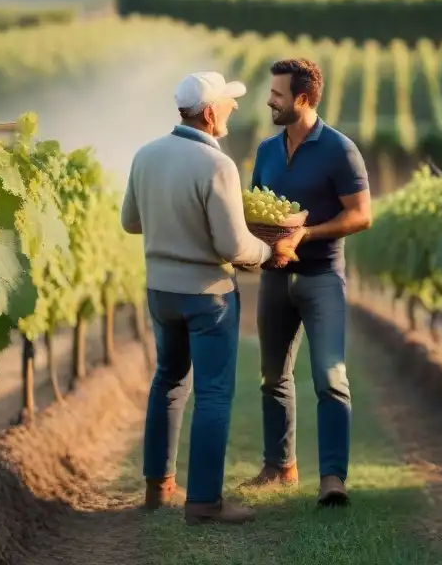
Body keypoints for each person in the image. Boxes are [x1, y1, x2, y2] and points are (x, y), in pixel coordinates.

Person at [120, 71, 303, 525]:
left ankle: (158, 487)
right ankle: (203, 501)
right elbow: (232, 246)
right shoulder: (216, 165)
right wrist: (270, 251)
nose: (234, 109)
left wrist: (173, 225)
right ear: (208, 113)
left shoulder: (146, 155)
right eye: (227, 103)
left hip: (161, 291)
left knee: (167, 382)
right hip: (208, 297)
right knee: (214, 394)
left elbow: (130, 222)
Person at [241, 58, 371, 507]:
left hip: (321, 278)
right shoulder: (266, 150)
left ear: (302, 98)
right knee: (272, 377)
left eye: (277, 94)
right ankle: (280, 468)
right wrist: (252, 248)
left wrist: (307, 233)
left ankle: (333, 478)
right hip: (276, 279)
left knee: (331, 378)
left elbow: (361, 215)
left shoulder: (340, 149)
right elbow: (258, 208)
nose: (269, 101)